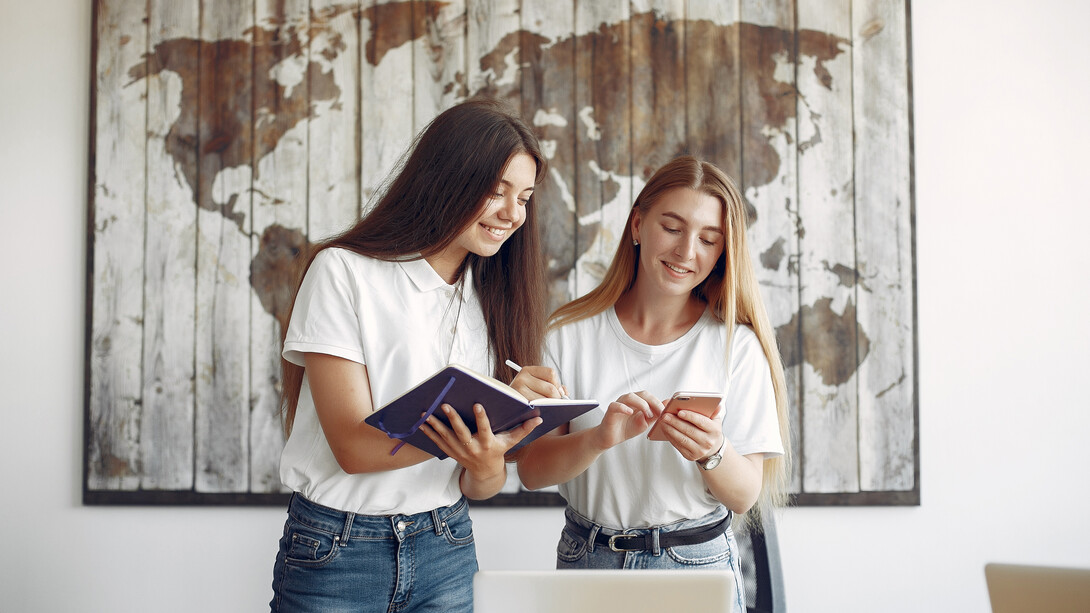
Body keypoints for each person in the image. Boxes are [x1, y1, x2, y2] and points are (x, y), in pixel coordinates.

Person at [269, 97, 549, 613]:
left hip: (447, 543)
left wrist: (489, 453)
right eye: (496, 192)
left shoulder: (494, 295)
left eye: (525, 197)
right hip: (337, 550)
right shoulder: (343, 272)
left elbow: (481, 485)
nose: (513, 214)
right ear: (446, 179)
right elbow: (355, 450)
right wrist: (479, 417)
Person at [515, 155, 790, 612]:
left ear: (723, 251)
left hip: (696, 565)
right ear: (638, 225)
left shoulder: (735, 347)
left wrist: (712, 451)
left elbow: (745, 495)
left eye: (708, 238)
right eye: (673, 227)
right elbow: (531, 471)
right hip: (589, 562)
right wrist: (600, 437)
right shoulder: (567, 336)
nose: (687, 252)